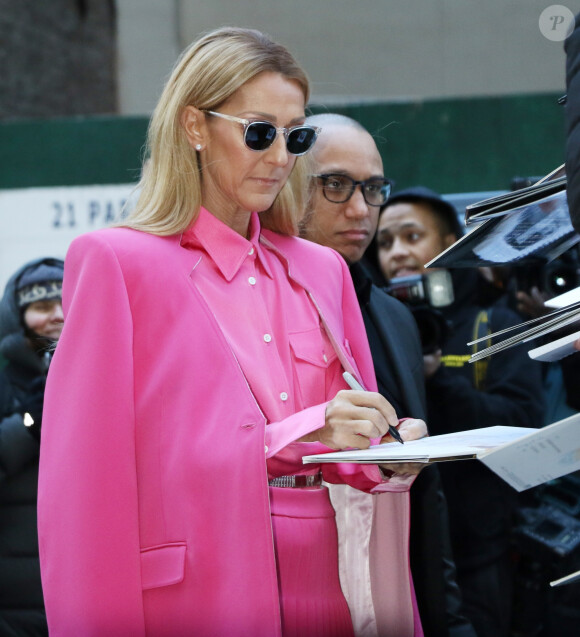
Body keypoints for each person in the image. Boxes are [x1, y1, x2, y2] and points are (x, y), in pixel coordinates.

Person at [37, 27, 428, 637]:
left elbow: (347, 447)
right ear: (194, 126)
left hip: (340, 590)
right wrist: (305, 430)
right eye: (257, 131)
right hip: (201, 598)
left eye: (295, 135)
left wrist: (385, 451)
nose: (280, 156)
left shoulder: (322, 269)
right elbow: (85, 490)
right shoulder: (116, 262)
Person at [300, 113, 476, 637]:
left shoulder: (395, 316)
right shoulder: (257, 305)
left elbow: (425, 494)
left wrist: (448, 617)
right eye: (335, 185)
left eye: (373, 188)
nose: (360, 209)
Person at [376, 188, 544, 637]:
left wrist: (438, 380)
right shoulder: (374, 326)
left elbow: (525, 424)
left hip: (483, 554)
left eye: (413, 236)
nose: (399, 253)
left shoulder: (493, 324)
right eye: (386, 242)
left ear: (451, 242)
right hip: (407, 552)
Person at [0, 257, 64, 636]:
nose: (57, 316)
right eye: (41, 307)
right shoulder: (6, 384)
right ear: (17, 316)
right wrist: (29, 423)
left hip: (87, 590)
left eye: (65, 303)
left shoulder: (113, 378)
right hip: (14, 604)